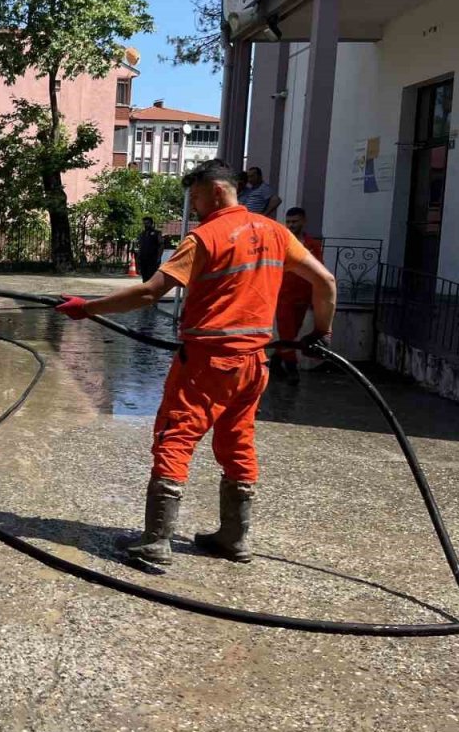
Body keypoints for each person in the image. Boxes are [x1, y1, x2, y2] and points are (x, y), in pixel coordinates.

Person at [56, 159, 336, 566]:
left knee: (175, 437)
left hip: (207, 362)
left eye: (197, 198)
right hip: (253, 364)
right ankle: (234, 538)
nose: (196, 207)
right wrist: (321, 333)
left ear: (217, 192)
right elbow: (325, 281)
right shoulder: (276, 233)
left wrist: (88, 308)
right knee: (237, 442)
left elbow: (149, 292)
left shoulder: (205, 237)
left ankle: (156, 542)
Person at [271, 207, 325, 385]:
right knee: (287, 333)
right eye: (288, 222)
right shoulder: (281, 243)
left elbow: (319, 270)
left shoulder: (312, 245)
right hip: (283, 296)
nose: (291, 225)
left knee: (292, 334)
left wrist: (316, 296)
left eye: (294, 222)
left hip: (303, 297)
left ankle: (275, 362)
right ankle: (292, 369)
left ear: (303, 221)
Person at [133, 216, 164, 281]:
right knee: (144, 277)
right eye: (144, 223)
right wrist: (138, 257)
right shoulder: (142, 234)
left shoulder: (157, 233)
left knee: (151, 277)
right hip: (143, 259)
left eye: (147, 223)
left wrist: (159, 257)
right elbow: (140, 246)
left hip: (153, 259)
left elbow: (161, 245)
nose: (146, 225)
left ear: (151, 223)